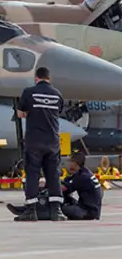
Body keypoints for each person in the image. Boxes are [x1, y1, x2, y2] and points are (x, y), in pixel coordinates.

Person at [14, 66, 66, 222]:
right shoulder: (57, 94)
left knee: (33, 174)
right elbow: (58, 112)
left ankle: (31, 210)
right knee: (53, 175)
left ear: (36, 78)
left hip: (34, 141)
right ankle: (56, 211)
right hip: (53, 141)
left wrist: (32, 114)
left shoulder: (29, 92)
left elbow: (20, 113)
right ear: (49, 79)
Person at [61, 152, 103, 220]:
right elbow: (66, 180)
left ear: (75, 163)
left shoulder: (82, 177)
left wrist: (49, 185)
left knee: (63, 208)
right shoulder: (84, 172)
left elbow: (63, 188)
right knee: (68, 200)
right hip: (92, 208)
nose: (68, 164)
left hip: (89, 212)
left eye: (70, 161)